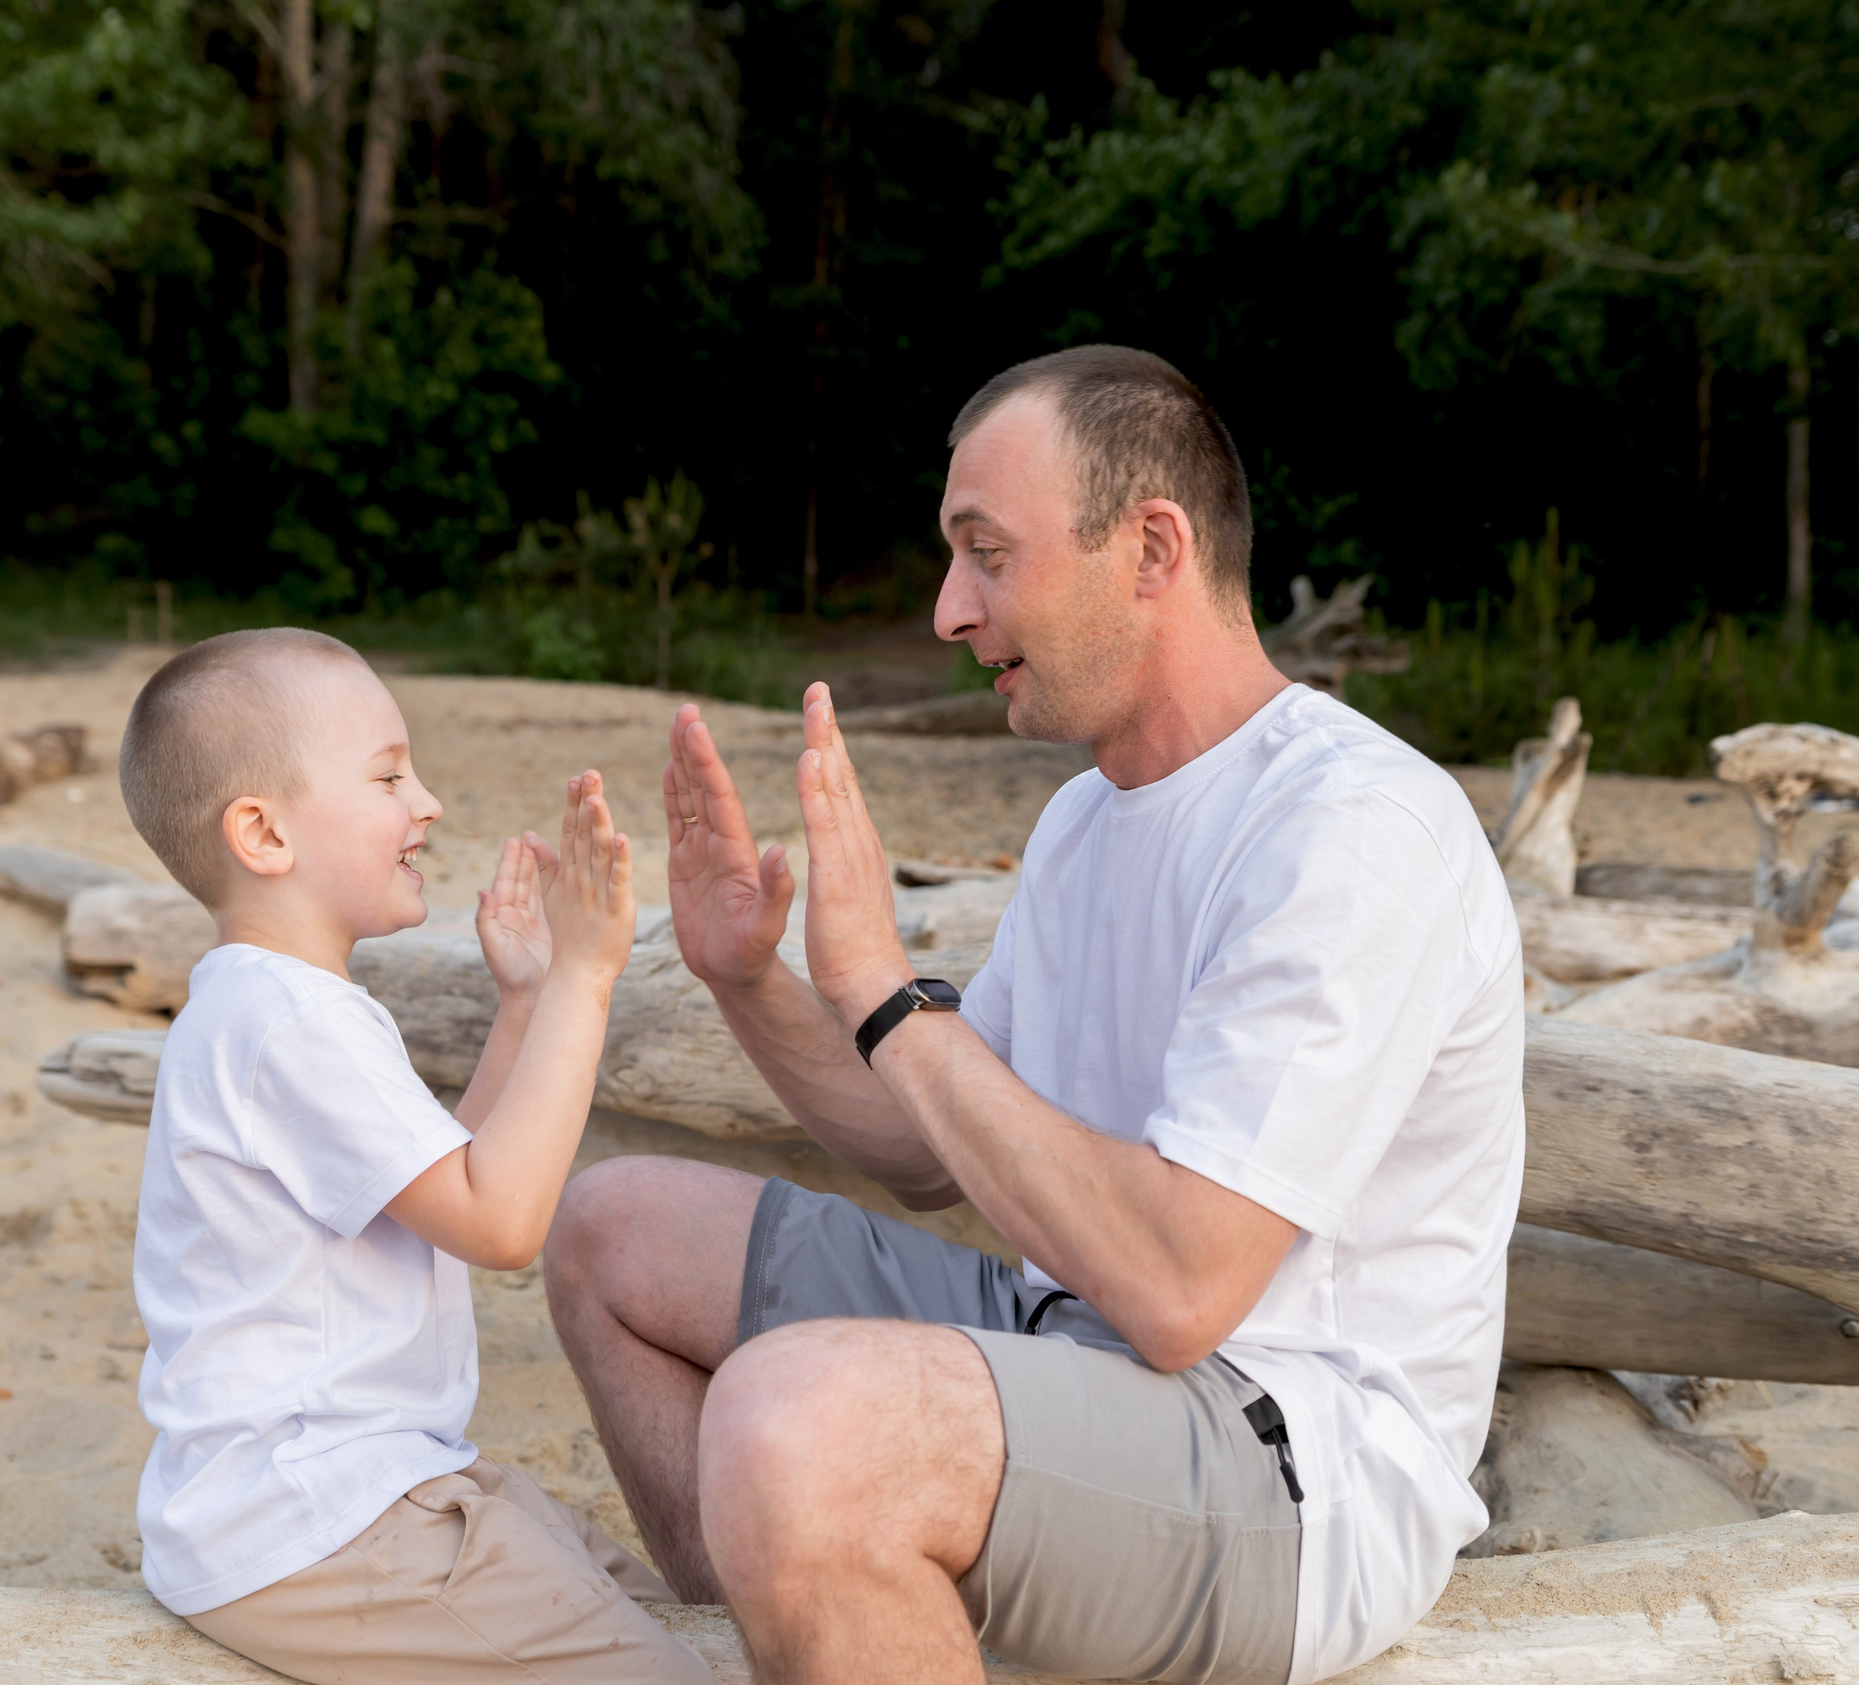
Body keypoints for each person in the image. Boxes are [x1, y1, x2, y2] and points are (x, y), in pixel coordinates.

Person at [545, 347, 1525, 1685]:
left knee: (792, 1418)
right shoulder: (1082, 819)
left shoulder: (1351, 827)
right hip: (1060, 1343)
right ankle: (815, 1618)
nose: (952, 609)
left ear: (1151, 547)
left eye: (986, 553)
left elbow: (1182, 1288)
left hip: (1290, 1463)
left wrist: (889, 993)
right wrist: (751, 976)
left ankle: (836, 1557)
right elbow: (929, 1143)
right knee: (610, 1233)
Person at [118, 628, 710, 1685]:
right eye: (390, 775)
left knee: (671, 1615)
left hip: (361, 1488)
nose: (426, 801)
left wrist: (525, 1004)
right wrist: (584, 981)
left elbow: (444, 1180)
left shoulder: (277, 1005)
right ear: (261, 833)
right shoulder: (288, 1021)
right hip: (315, 1525)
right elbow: (500, 1222)